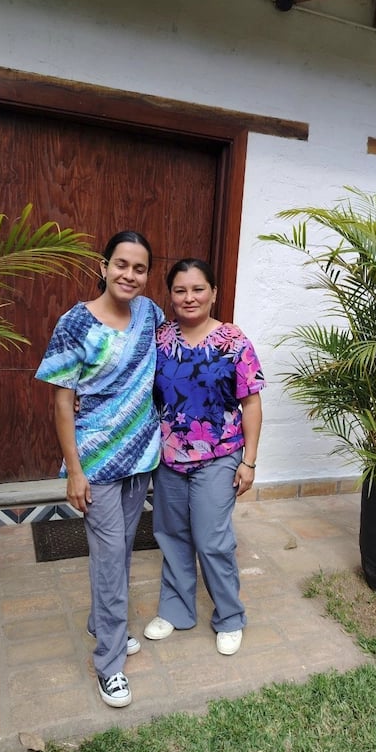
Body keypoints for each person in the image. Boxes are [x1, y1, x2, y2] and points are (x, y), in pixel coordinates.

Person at [35, 230, 163, 708]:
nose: (130, 275)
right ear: (103, 266)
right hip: (96, 461)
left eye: (139, 268)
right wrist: (74, 471)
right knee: (110, 556)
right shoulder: (75, 323)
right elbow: (61, 402)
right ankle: (110, 663)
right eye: (121, 264)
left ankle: (102, 621)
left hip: (141, 455)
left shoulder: (151, 315)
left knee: (121, 549)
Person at [144, 258, 265, 656]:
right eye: (180, 290)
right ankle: (175, 610)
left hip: (220, 455)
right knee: (172, 535)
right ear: (170, 295)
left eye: (198, 289)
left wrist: (249, 461)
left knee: (212, 540)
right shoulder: (160, 339)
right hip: (169, 457)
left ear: (214, 292)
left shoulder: (233, 341)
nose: (189, 297)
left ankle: (229, 617)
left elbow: (251, 402)